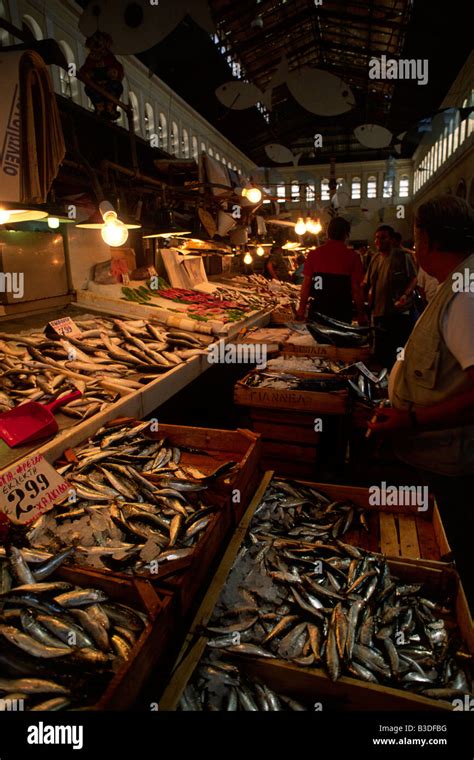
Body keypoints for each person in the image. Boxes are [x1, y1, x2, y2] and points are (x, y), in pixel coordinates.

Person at [369, 195, 474, 611]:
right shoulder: (460, 283)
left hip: (449, 467)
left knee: (452, 562)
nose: (415, 248)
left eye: (416, 239)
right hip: (437, 459)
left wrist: (411, 418)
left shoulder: (467, 295)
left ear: (427, 239)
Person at [364, 225, 417, 368]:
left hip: (397, 312)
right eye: (377, 238)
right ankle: (385, 382)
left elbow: (413, 278)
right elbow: (368, 283)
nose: (379, 241)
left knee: (398, 348)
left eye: (383, 237)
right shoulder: (374, 259)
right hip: (379, 312)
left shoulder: (402, 256)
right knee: (381, 350)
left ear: (391, 239)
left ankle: (399, 379)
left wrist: (405, 295)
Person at [296, 217, 367, 324]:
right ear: (346, 234)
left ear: (328, 233)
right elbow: (356, 289)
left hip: (318, 310)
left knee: (318, 340)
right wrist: (361, 314)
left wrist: (301, 309)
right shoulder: (353, 257)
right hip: (342, 311)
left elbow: (306, 284)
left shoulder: (313, 255)